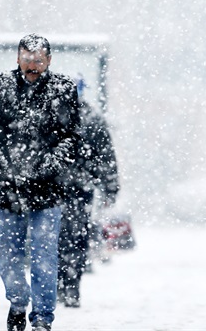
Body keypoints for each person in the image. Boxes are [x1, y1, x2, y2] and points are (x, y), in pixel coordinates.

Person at [0, 34, 80, 331]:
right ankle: (18, 301)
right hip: (8, 185)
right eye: (27, 59)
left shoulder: (63, 89)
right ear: (17, 57)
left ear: (49, 60)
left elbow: (71, 136)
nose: (32, 65)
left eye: (38, 60)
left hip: (48, 186)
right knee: (9, 255)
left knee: (45, 254)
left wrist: (50, 165)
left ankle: (43, 318)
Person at [57, 77, 120, 308]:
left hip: (54, 190)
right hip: (80, 190)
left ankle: (58, 284)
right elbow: (106, 157)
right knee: (76, 237)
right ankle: (71, 284)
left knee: (54, 238)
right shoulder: (92, 118)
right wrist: (110, 187)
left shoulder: (52, 116)